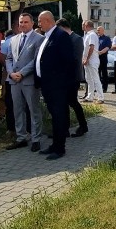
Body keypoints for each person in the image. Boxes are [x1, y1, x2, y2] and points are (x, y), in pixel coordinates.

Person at [35, 11, 75, 159]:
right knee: (54, 116)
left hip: (57, 86)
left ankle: (60, 148)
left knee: (59, 116)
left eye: (40, 21)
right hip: (47, 85)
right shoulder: (47, 36)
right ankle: (54, 145)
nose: (38, 24)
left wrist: (59, 81)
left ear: (47, 20)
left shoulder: (60, 36)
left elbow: (68, 61)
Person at [4, 13, 45, 152]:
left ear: (32, 23)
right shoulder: (14, 39)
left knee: (34, 110)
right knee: (17, 110)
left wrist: (22, 73)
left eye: (26, 22)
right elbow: (8, 58)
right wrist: (11, 73)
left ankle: (36, 139)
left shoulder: (40, 39)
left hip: (29, 80)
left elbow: (36, 60)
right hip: (14, 80)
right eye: (21, 22)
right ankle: (21, 137)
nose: (23, 24)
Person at [57, 19, 89, 137]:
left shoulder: (76, 39)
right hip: (65, 77)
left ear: (63, 27)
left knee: (73, 102)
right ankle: (65, 129)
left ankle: (83, 126)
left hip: (73, 77)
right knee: (66, 102)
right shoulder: (66, 38)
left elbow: (75, 59)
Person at [81, 20, 104, 104]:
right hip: (87, 60)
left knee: (95, 78)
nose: (82, 26)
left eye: (83, 25)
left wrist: (87, 58)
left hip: (92, 60)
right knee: (89, 79)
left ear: (86, 25)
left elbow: (91, 47)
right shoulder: (87, 35)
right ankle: (90, 96)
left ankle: (101, 97)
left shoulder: (92, 35)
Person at [97, 26, 112, 93]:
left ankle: (104, 88)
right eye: (97, 30)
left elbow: (107, 47)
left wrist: (101, 52)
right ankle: (97, 87)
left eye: (99, 30)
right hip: (96, 57)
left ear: (103, 31)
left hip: (103, 57)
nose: (97, 31)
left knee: (104, 73)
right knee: (97, 73)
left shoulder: (106, 38)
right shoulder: (96, 38)